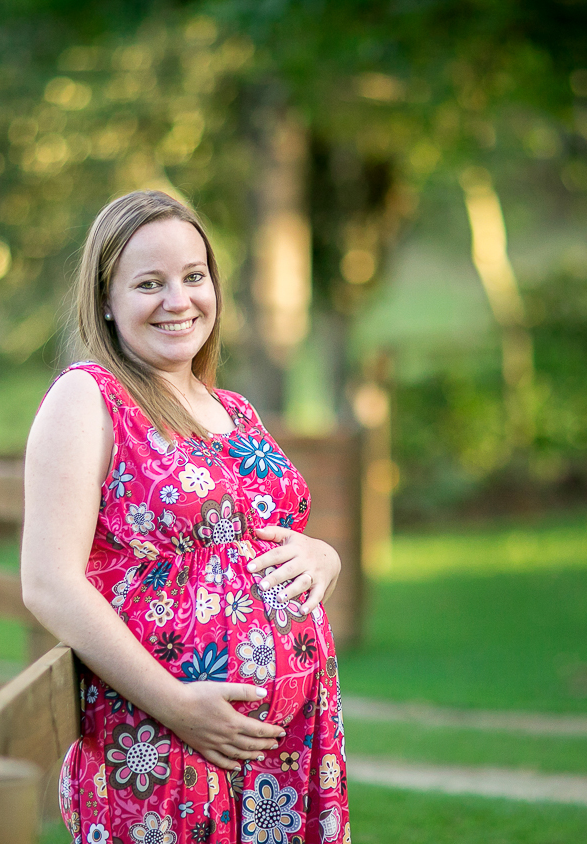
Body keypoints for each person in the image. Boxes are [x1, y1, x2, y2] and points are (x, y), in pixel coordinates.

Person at [21, 190, 351, 844]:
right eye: (150, 283)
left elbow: (258, 533)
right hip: (164, 742)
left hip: (287, 748)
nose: (179, 300)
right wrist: (176, 705)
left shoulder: (234, 408)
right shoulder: (89, 399)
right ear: (106, 301)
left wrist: (325, 557)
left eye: (194, 276)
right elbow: (49, 583)